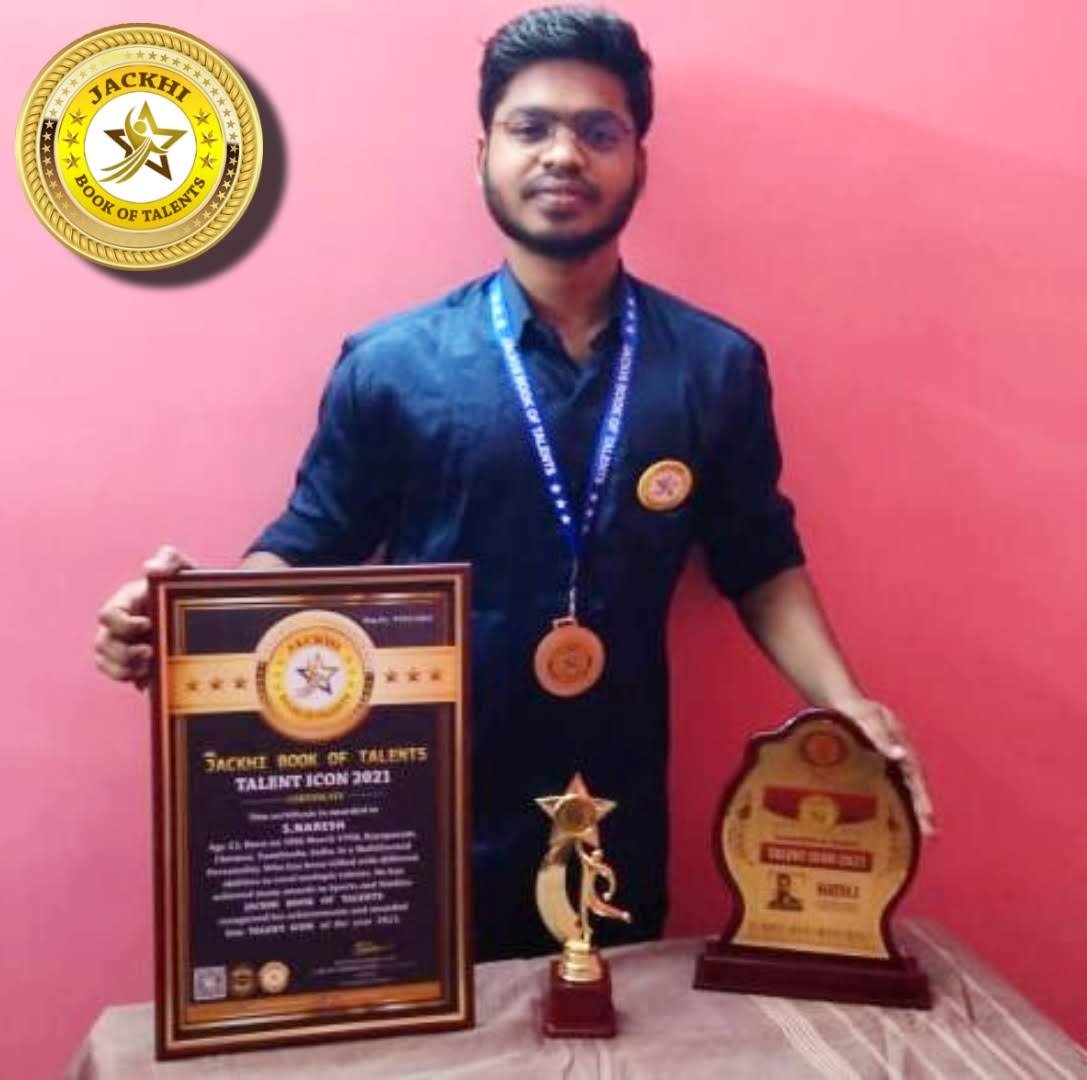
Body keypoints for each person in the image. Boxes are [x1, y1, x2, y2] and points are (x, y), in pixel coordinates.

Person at [94, 6, 934, 961]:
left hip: (613, 804)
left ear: (638, 160)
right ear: (482, 155)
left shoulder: (713, 367)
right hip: (405, 804)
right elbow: (313, 539)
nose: (562, 155)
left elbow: (759, 561)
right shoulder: (392, 365)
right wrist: (191, 624)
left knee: (612, 1017)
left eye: (598, 131)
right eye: (530, 127)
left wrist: (847, 704)